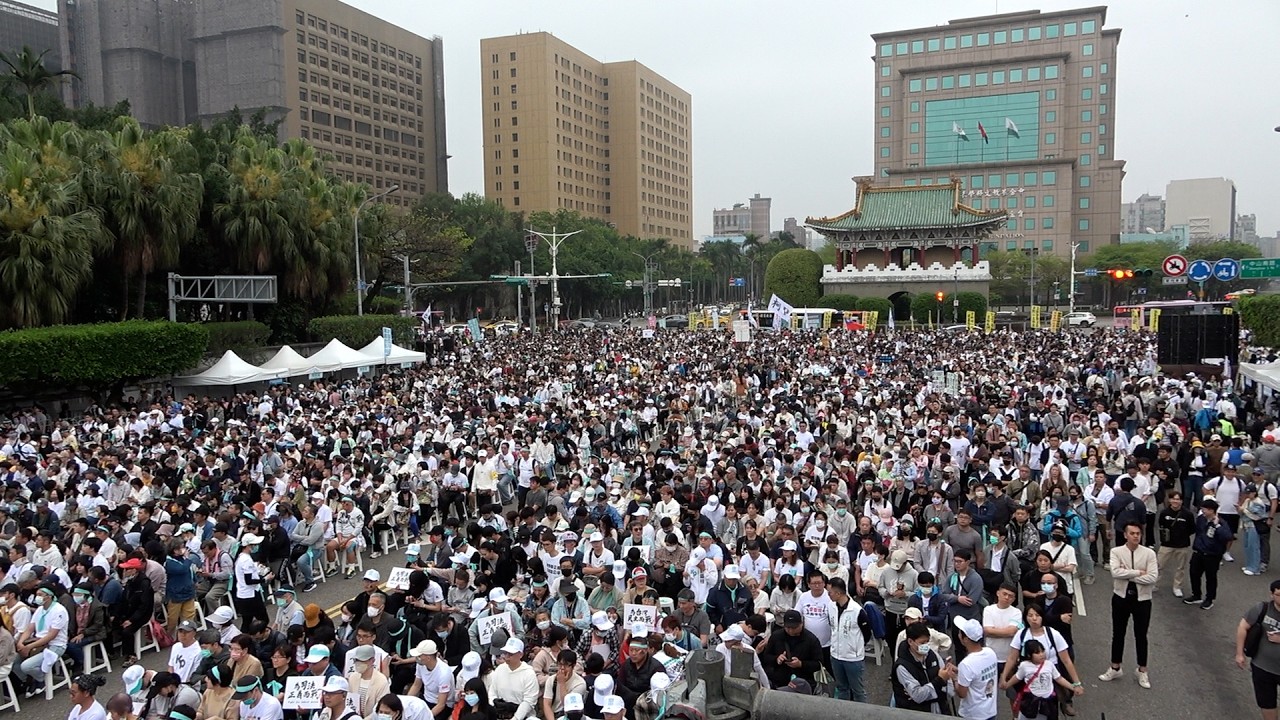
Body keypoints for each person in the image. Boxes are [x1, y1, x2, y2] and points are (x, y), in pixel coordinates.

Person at [1101, 521, 1158, 689]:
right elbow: (1115, 572)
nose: (1135, 536)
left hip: (1143, 599)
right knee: (1118, 634)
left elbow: (1152, 577)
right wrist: (1139, 573)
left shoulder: (1149, 554)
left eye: (1138, 534)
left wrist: (1128, 575)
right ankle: (1115, 667)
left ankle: (1142, 670)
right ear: (1125, 535)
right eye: (1132, 533)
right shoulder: (1116, 551)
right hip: (1121, 597)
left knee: (1141, 635)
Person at [1000, 639, 1083, 720]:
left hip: (1048, 702)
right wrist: (1007, 684)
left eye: (1042, 651)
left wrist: (1073, 687)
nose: (1041, 654)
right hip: (1031, 701)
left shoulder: (1049, 664)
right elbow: (1017, 678)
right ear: (1029, 655)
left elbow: (1059, 678)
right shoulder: (1024, 666)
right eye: (1037, 652)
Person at [1236, 579, 1280, 720]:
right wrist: (1239, 653)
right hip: (1262, 667)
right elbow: (1243, 627)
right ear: (1271, 594)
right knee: (1267, 704)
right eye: (1279, 595)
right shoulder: (1262, 609)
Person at [14, 584, 69, 697]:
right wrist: (21, 642)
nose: (37, 597)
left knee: (26, 666)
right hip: (38, 642)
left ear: (48, 596)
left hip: (55, 645)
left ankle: (40, 679)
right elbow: (30, 628)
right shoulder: (40, 610)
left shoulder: (59, 610)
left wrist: (29, 647)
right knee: (14, 662)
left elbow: (51, 635)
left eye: (40, 595)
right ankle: (30, 680)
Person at [891, 622, 954, 714]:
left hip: (940, 708)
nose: (926, 646)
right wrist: (939, 680)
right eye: (922, 643)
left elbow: (949, 687)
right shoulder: (902, 667)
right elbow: (918, 696)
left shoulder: (933, 655)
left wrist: (929, 690)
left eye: (927, 642)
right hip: (916, 713)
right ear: (910, 642)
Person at [826, 576, 871, 703]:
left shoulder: (857, 611)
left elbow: (866, 633)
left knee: (858, 691)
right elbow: (832, 626)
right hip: (835, 655)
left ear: (838, 593)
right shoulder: (831, 606)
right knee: (842, 688)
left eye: (830, 592)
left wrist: (856, 647)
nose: (828, 595)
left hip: (853, 658)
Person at [1186, 498, 1233, 610]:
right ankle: (1196, 595)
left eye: (1205, 509)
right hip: (1198, 551)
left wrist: (1217, 526)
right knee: (1194, 573)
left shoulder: (1221, 523)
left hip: (1212, 555)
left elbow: (1227, 537)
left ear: (1212, 510)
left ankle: (1209, 599)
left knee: (1210, 578)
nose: (1203, 511)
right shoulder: (1201, 519)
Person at [759, 610, 823, 689]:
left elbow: (818, 664)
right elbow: (766, 657)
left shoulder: (811, 639)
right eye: (788, 627)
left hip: (802, 681)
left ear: (801, 624)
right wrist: (777, 659)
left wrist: (801, 664)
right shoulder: (776, 636)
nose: (791, 630)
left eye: (794, 628)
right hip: (779, 679)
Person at [952, 617, 999, 720]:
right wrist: (958, 671)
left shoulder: (966, 664)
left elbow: (962, 693)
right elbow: (977, 674)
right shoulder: (990, 652)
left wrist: (954, 678)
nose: (958, 635)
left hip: (972, 714)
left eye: (960, 633)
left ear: (966, 639)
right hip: (990, 711)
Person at [485, 638, 538, 720]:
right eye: (506, 653)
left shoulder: (528, 673)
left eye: (511, 654)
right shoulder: (500, 669)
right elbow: (492, 692)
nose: (507, 657)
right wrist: (494, 705)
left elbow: (529, 701)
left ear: (520, 655)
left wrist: (516, 718)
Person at [1156, 491, 1196, 598]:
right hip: (1166, 545)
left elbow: (1192, 529)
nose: (1175, 501)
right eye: (1173, 499)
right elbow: (1161, 525)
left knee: (1180, 568)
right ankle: (1154, 584)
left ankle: (1177, 587)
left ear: (1181, 501)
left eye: (1178, 499)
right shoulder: (1164, 513)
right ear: (1169, 500)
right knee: (1159, 565)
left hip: (1182, 545)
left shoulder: (1188, 514)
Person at [407, 640, 454, 720]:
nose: (417, 658)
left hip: (442, 706)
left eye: (419, 656)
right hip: (426, 699)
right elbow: (416, 685)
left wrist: (426, 717)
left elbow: (441, 704)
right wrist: (406, 702)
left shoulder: (444, 673)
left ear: (428, 658)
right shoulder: (421, 665)